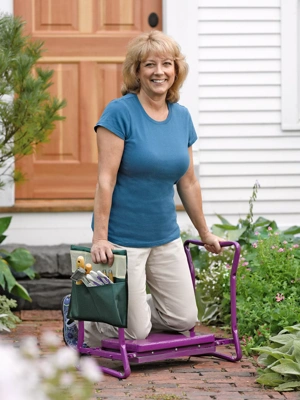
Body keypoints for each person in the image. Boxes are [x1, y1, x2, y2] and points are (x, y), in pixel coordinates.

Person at [62, 30, 223, 348]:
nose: (159, 71)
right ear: (136, 71)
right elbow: (105, 180)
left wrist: (205, 233)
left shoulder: (182, 117)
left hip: (164, 235)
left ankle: (123, 311)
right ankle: (79, 315)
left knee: (183, 319)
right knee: (135, 332)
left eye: (167, 64)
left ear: (176, 70)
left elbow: (187, 181)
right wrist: (100, 238)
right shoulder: (119, 112)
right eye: (150, 64)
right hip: (123, 240)